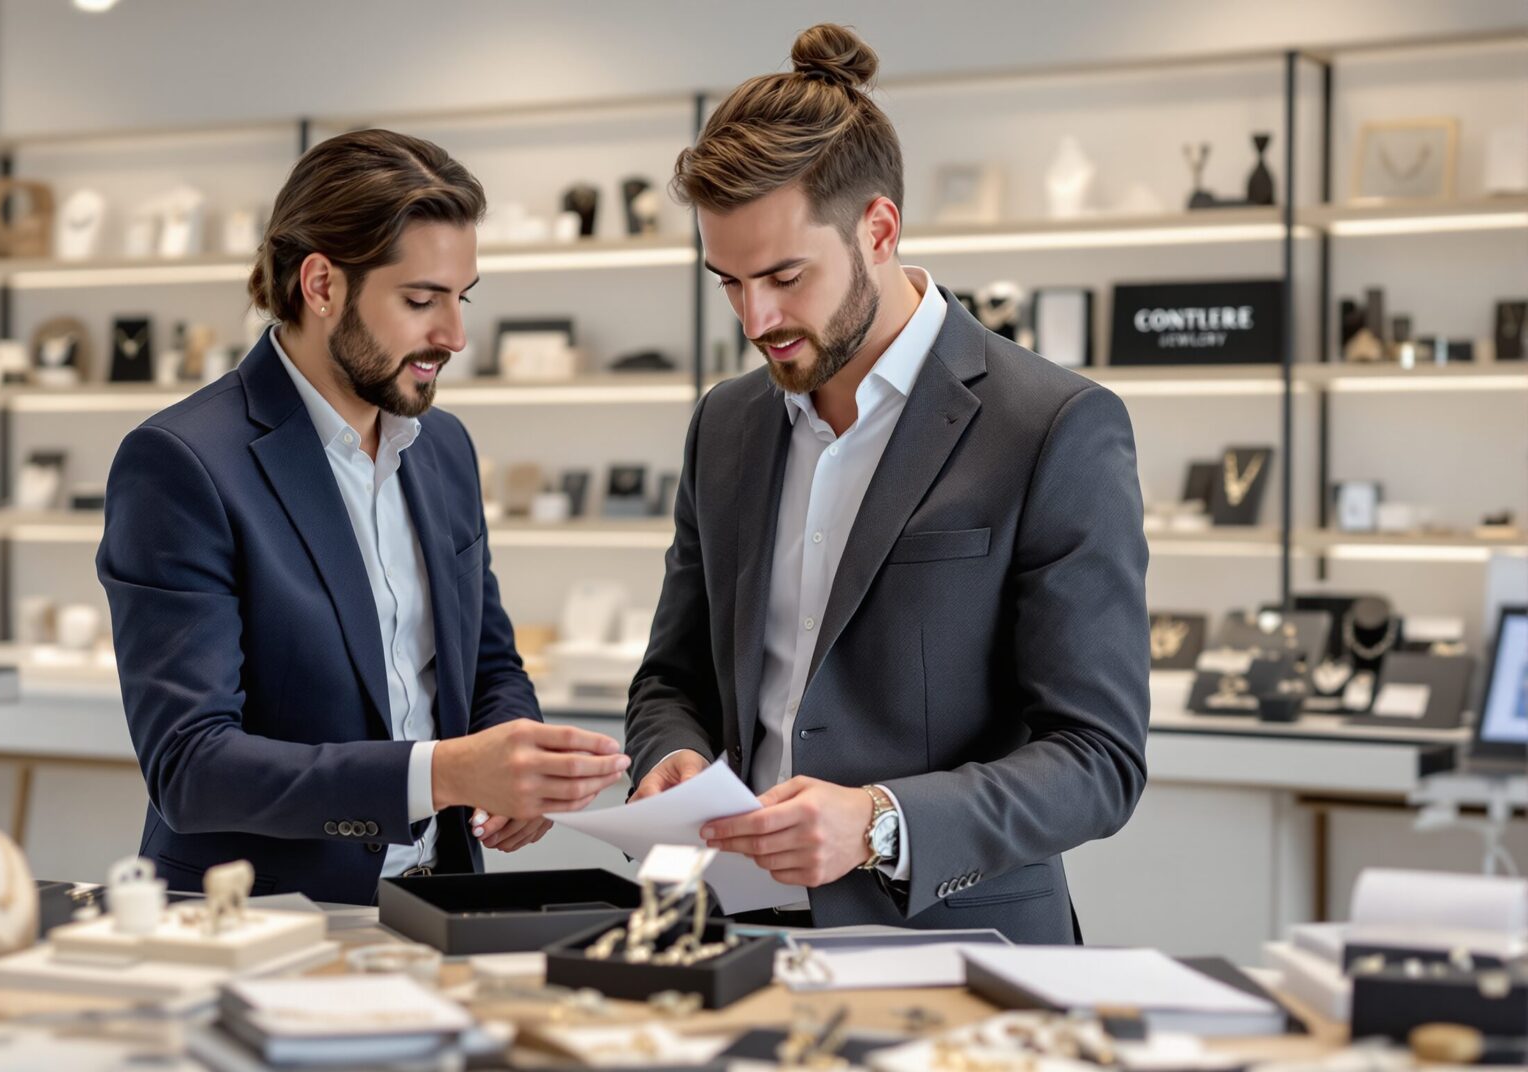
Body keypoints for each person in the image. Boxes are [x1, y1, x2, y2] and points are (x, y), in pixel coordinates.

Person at [624, 24, 1149, 944]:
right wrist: (672, 753)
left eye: (785, 276)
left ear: (879, 229)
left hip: (960, 956)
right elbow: (673, 676)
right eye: (729, 283)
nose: (757, 318)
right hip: (735, 938)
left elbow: (1097, 758)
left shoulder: (1055, 425)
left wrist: (878, 823)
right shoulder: (727, 423)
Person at [98, 129, 628, 903]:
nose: (454, 336)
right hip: (258, 921)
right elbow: (192, 766)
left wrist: (516, 763)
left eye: (461, 298)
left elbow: (485, 664)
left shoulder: (442, 447)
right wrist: (445, 773)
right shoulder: (182, 463)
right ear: (321, 285)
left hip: (442, 903)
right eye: (421, 300)